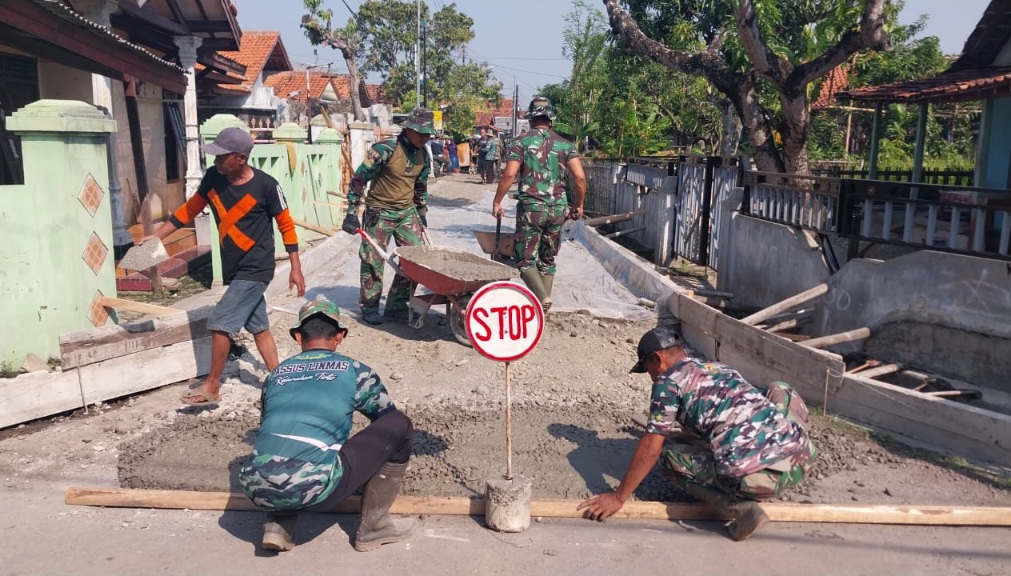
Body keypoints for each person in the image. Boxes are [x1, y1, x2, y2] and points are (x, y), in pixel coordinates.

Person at [577, 326, 817, 541]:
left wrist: (619, 497)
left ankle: (742, 510)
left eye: (647, 368)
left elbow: (651, 448)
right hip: (802, 459)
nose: (650, 376)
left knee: (667, 455)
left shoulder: (667, 383)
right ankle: (788, 445)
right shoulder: (718, 367)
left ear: (657, 358)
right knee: (780, 389)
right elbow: (735, 415)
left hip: (763, 481)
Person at [141, 127, 305, 405]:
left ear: (240, 158)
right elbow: (188, 211)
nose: (215, 161)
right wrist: (155, 236)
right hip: (234, 267)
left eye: (221, 156)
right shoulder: (214, 179)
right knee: (259, 327)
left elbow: (286, 225)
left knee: (219, 323)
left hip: (256, 267)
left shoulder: (267, 185)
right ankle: (281, 380)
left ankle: (212, 386)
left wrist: (295, 266)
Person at [240, 298, 416, 552]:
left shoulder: (275, 375)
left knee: (284, 443)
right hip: (316, 490)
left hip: (256, 489)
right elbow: (386, 421)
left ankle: (278, 524)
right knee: (400, 425)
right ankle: (375, 527)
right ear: (340, 336)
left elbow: (269, 422)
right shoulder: (355, 371)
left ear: (299, 336)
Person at [341, 108, 434, 326]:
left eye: (427, 134)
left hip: (406, 213)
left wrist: (421, 213)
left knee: (414, 260)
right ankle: (370, 306)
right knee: (373, 260)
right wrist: (352, 212)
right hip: (379, 212)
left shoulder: (423, 155)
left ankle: (396, 305)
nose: (424, 137)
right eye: (420, 132)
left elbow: (420, 187)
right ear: (408, 128)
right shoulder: (385, 149)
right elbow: (358, 179)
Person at [491, 96, 585, 312]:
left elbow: (510, 174)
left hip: (532, 208)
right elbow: (579, 178)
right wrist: (578, 205)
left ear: (530, 120)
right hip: (558, 208)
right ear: (551, 120)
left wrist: (497, 201)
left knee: (524, 259)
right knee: (548, 258)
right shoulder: (566, 144)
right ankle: (543, 307)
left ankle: (542, 299)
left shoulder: (519, 142)